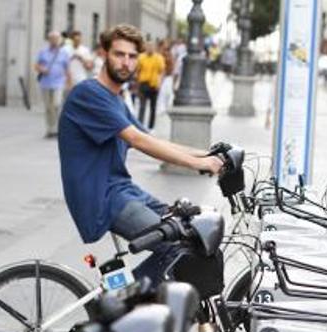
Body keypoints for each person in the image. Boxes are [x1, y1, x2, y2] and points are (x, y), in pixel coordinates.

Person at [58, 24, 222, 284]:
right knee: (175, 248)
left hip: (123, 189)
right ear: (104, 53)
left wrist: (208, 154)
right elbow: (136, 139)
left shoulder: (116, 99)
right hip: (103, 197)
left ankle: (125, 297)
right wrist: (198, 164)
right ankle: (117, 307)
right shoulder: (88, 94)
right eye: (119, 54)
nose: (126, 62)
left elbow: (152, 139)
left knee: (188, 232)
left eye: (132, 56)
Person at [35, 31, 72, 138]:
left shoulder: (63, 53)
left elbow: (67, 69)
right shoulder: (43, 51)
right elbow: (36, 65)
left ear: (59, 40)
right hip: (45, 83)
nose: (55, 41)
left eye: (56, 38)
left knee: (56, 105)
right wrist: (42, 69)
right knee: (48, 107)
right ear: (49, 40)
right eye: (52, 38)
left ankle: (57, 128)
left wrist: (70, 83)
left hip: (59, 83)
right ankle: (50, 129)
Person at [135, 41, 165, 129]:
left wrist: (160, 83)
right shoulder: (141, 57)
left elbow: (162, 71)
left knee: (153, 107)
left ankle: (151, 127)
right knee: (142, 106)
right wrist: (137, 84)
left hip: (154, 85)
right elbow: (137, 71)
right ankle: (139, 125)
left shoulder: (159, 58)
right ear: (146, 48)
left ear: (154, 48)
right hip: (143, 83)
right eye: (148, 47)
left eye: (152, 47)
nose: (150, 48)